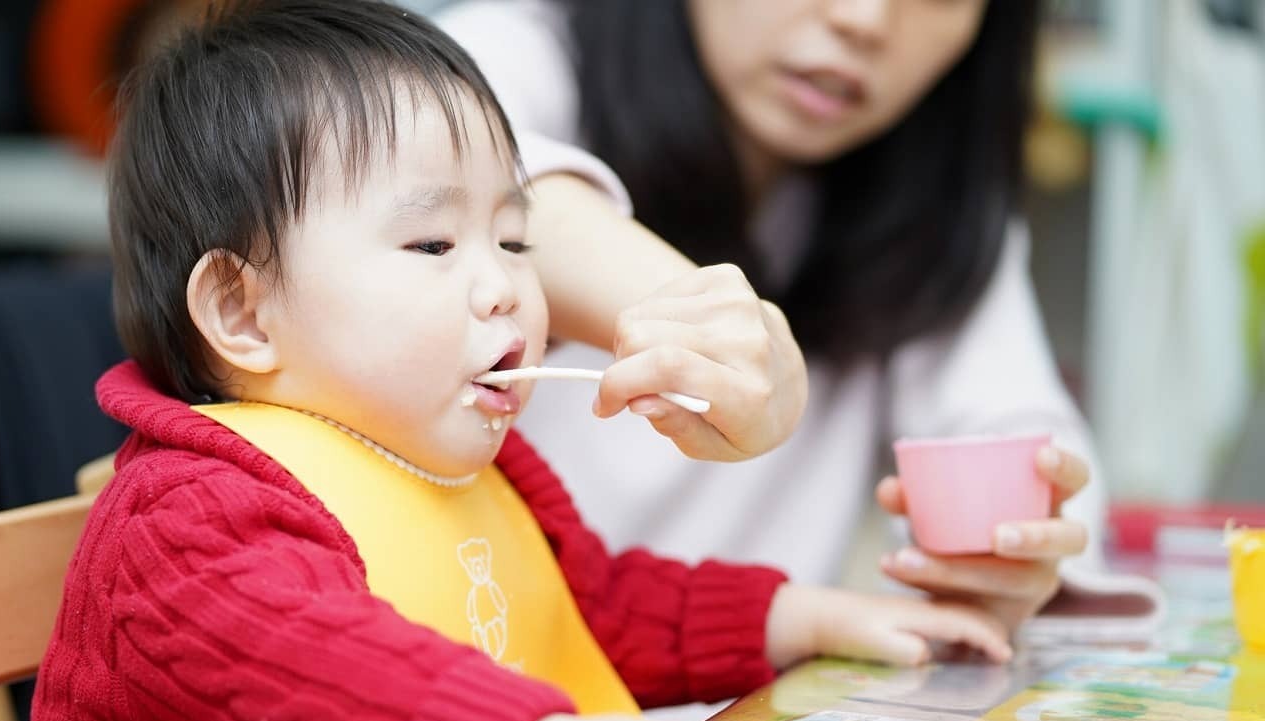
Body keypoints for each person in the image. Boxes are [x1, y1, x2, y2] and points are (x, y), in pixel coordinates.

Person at [0, 3, 1013, 721]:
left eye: (512, 239)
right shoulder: (186, 508)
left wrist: (807, 616)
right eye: (431, 245)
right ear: (241, 309)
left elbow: (588, 608)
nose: (505, 282)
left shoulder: (469, 468)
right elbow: (332, 663)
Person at [438, 0, 1103, 632]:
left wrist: (1020, 558)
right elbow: (452, 168)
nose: (863, 20)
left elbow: (1019, 435)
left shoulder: (931, 202)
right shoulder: (499, 60)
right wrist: (707, 320)